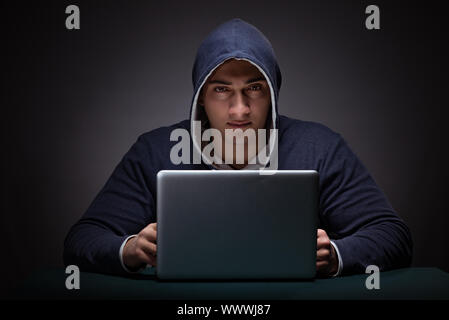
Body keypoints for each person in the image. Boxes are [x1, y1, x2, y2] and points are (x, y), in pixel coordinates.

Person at [63, 18, 413, 277]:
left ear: (272, 92)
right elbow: (82, 240)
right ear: (201, 96)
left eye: (254, 88)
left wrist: (336, 254)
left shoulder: (320, 147)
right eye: (221, 89)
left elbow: (393, 235)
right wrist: (131, 249)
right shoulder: (156, 150)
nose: (240, 109)